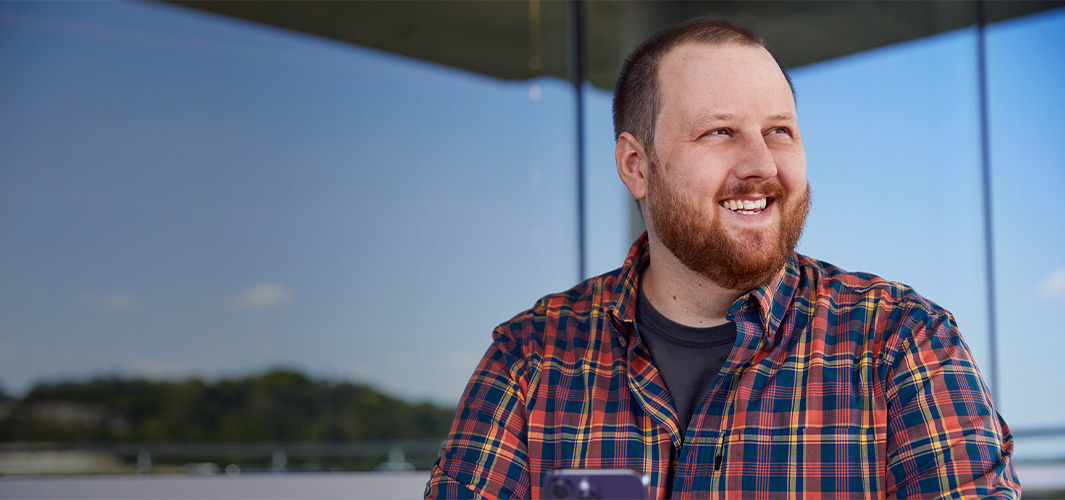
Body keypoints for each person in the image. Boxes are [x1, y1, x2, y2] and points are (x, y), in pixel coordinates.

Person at [425, 20, 1020, 499]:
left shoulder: (902, 341)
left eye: (780, 131)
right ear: (636, 166)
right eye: (719, 133)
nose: (761, 163)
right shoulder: (532, 357)